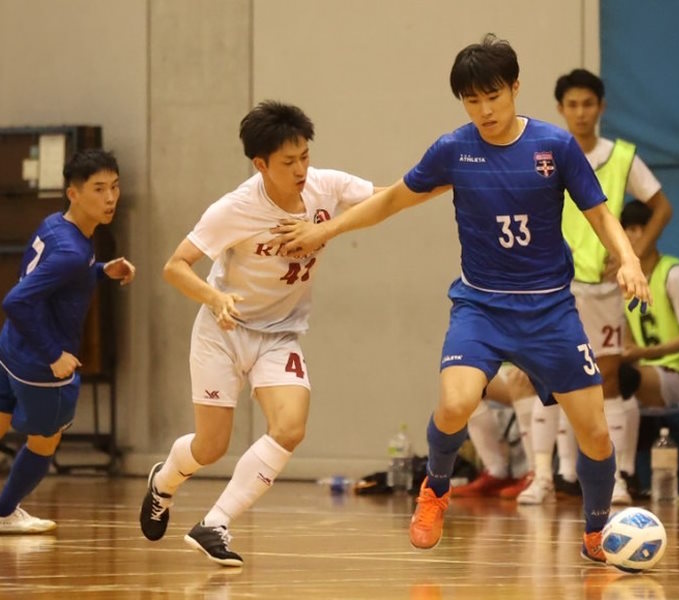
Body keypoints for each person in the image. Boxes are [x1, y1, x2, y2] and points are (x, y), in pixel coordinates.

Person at [270, 34, 650, 562]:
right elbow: (391, 201)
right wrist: (322, 232)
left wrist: (629, 259)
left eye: (493, 95)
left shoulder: (554, 147)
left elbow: (600, 213)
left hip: (549, 309)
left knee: (595, 435)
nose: (484, 109)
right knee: (455, 403)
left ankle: (595, 530)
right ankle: (436, 489)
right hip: (481, 306)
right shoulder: (454, 150)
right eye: (472, 100)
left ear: (516, 87)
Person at [138, 101, 378, 566]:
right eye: (288, 162)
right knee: (211, 447)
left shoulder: (327, 187)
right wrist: (215, 298)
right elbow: (175, 267)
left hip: (280, 333)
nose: (301, 169)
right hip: (223, 331)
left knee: (290, 427)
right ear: (261, 164)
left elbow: (388, 197)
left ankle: (215, 523)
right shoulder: (236, 208)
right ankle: (163, 482)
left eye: (305, 156)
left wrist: (448, 181)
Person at [521, 69, 673, 506]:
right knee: (545, 378)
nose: (581, 112)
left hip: (604, 290)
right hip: (553, 284)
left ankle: (620, 477)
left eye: (589, 104)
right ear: (560, 109)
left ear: (601, 108)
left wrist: (634, 254)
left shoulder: (622, 157)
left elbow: (662, 206)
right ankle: (542, 477)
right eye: (572, 104)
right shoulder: (544, 152)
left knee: (607, 377)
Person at [0, 149, 135, 533]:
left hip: (10, 349)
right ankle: (4, 513)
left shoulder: (55, 225)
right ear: (73, 193)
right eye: (98, 189)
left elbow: (56, 279)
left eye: (115, 187)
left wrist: (101, 271)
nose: (110, 198)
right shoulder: (72, 251)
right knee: (45, 441)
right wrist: (54, 354)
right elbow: (16, 300)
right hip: (40, 364)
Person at [619, 200, 679, 407]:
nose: (636, 236)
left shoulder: (675, 275)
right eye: (630, 229)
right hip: (646, 372)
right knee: (586, 378)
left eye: (642, 229)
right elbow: (628, 342)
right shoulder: (624, 280)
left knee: (622, 379)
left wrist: (645, 353)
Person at [451, 365, 537, 500]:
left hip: (543, 366)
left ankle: (537, 474)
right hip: (508, 367)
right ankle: (496, 472)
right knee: (466, 382)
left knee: (520, 378)